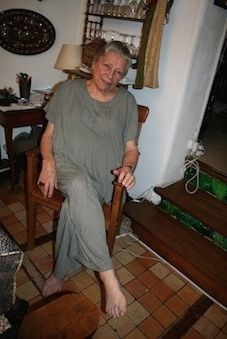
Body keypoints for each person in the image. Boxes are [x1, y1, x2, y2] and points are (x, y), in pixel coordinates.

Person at [38, 41, 139, 318]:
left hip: (104, 180)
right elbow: (47, 137)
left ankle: (60, 271)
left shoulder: (127, 102)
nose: (111, 74)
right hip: (66, 167)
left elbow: (131, 150)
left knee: (76, 205)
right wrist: (48, 162)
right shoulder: (66, 91)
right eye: (107, 65)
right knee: (79, 187)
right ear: (94, 63)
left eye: (119, 72)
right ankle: (109, 278)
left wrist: (128, 168)